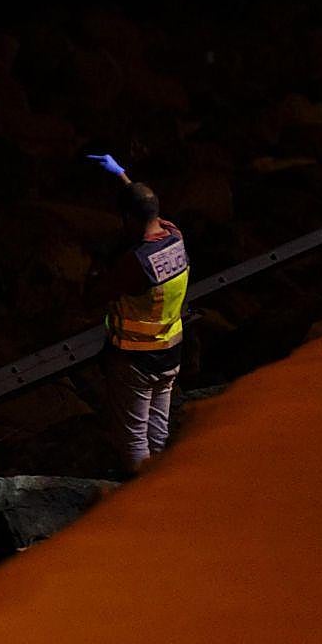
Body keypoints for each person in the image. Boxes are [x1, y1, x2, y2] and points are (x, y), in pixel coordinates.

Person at [86, 155, 190, 473]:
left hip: (136, 361)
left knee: (133, 442)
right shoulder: (174, 236)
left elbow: (97, 295)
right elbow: (145, 205)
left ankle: (146, 504)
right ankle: (163, 488)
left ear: (128, 219)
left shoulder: (138, 263)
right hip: (171, 353)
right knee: (158, 436)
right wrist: (121, 175)